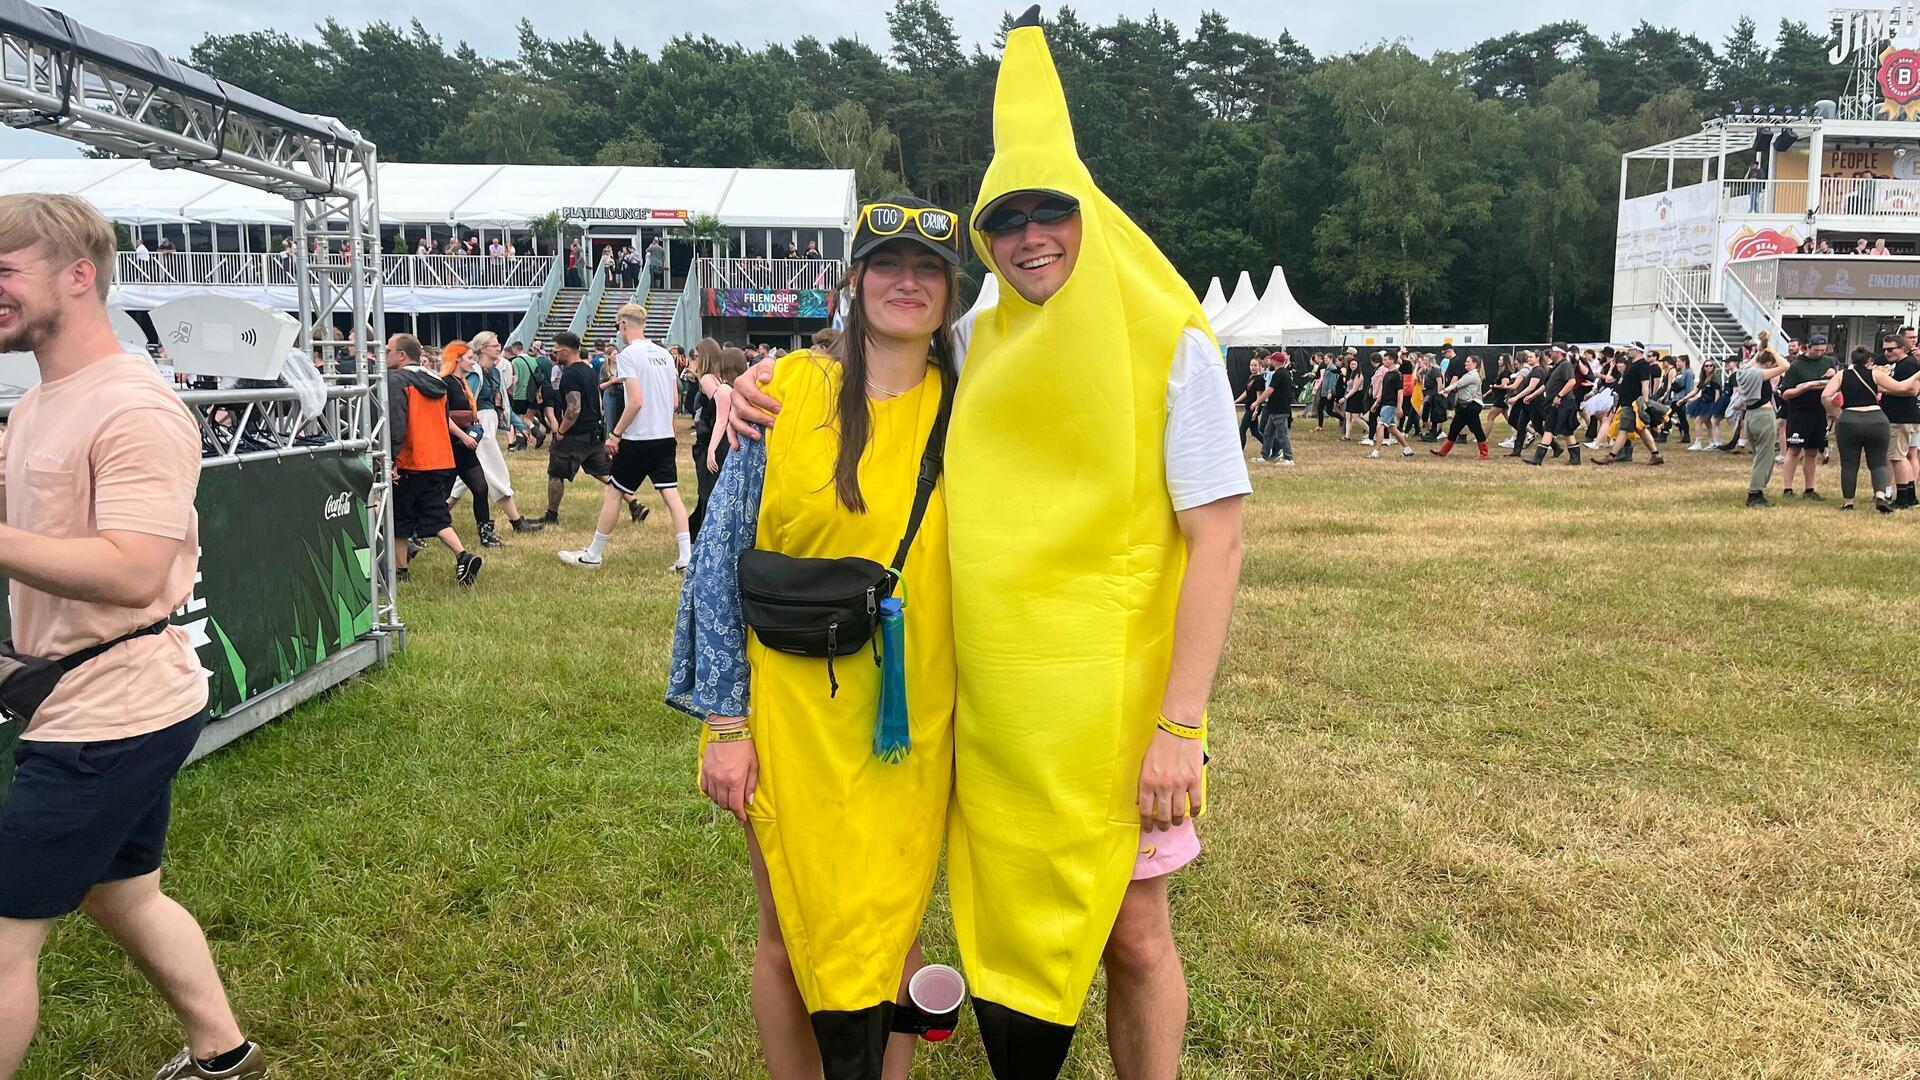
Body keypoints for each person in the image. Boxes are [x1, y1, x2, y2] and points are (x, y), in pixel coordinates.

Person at [733, 15, 1246, 1073]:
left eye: (1049, 211)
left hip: (1116, 714)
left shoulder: (1174, 346)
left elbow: (1220, 540)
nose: (1030, 238)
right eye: (1005, 221)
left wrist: (1180, 726)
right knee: (994, 920)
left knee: (1134, 934)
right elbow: (873, 369)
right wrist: (750, 389)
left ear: (1087, 213)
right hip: (985, 716)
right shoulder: (975, 341)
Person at [668, 201, 965, 1080]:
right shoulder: (787, 391)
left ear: (951, 293)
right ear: (853, 281)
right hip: (791, 713)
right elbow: (720, 561)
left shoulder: (974, 405)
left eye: (928, 269)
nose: (906, 281)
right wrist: (725, 725)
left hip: (914, 721)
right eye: (886, 264)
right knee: (787, 930)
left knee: (893, 923)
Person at [0, 194, 264, 1080]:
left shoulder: (134, 406)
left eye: (4, 272)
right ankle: (222, 1055)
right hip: (91, 699)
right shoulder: (43, 401)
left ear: (79, 276)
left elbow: (134, 571)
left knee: (4, 936)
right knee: (124, 894)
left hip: (109, 715)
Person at [560, 305, 693, 571]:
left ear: (623, 325)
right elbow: (675, 400)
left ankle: (594, 555)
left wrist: (616, 434)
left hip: (638, 437)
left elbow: (636, 401)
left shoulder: (628, 355)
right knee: (671, 494)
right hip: (663, 436)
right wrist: (671, 430)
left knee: (615, 491)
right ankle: (686, 556)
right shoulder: (665, 355)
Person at [385, 334, 482, 585]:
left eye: (388, 350)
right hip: (438, 458)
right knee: (436, 514)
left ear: (402, 355)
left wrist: (389, 460)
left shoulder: (397, 381)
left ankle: (401, 572)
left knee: (400, 518)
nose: (385, 354)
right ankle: (463, 555)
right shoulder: (436, 381)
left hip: (411, 459)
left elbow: (397, 424)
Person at [447, 333, 543, 539]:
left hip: (486, 425)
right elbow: (468, 402)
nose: (498, 347)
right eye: (494, 344)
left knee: (465, 480)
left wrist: (521, 426)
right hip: (479, 426)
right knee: (496, 472)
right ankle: (517, 522)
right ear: (483, 348)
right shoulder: (476, 373)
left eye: (498, 344)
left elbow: (503, 407)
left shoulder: (496, 372)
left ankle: (433, 520)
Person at [1823, 346, 1917, 512]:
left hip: (1849, 419)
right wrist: (1917, 374)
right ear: (1870, 361)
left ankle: (1848, 502)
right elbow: (1902, 387)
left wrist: (1835, 413)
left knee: (1849, 464)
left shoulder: (1841, 375)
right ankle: (1880, 496)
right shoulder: (1876, 374)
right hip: (1876, 419)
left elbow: (1825, 396)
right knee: (1879, 462)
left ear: (1852, 360)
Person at [540, 332, 612, 523]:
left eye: (555, 351)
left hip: (575, 433)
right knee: (600, 470)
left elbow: (573, 408)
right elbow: (598, 401)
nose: (554, 355)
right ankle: (634, 502)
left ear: (565, 351)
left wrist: (561, 431)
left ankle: (551, 514)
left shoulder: (570, 374)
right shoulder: (589, 370)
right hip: (593, 432)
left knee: (556, 473)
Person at [686, 339, 749, 543]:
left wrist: (711, 449)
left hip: (715, 442)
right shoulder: (728, 386)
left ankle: (703, 533)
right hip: (721, 441)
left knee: (709, 489)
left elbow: (720, 419)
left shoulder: (716, 385)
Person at [1778, 334, 1838, 499]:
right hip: (1799, 412)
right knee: (1794, 450)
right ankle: (1787, 488)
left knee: (1812, 451)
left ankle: (1809, 489)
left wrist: (1833, 376)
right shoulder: (1796, 366)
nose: (1819, 353)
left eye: (1822, 350)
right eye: (1815, 350)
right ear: (1807, 347)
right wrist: (1807, 387)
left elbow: (1836, 385)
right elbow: (1786, 393)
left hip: (1819, 412)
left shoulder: (1828, 362)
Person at [1737, 333, 1791, 507]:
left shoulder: (1743, 370)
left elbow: (1754, 359)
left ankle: (1756, 489)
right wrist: (1774, 351)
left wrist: (1762, 348)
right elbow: (1785, 366)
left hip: (1750, 416)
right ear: (1768, 364)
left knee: (1758, 455)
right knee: (1765, 457)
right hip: (1763, 414)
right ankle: (1755, 493)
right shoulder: (1759, 374)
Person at [1592, 343, 1665, 467]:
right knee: (1641, 429)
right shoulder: (1632, 364)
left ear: (1638, 350)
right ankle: (1656, 455)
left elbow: (1645, 384)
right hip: (1626, 401)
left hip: (1633, 403)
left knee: (1624, 430)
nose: (1628, 350)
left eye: (1630, 348)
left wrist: (1644, 403)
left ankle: (1611, 457)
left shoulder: (1643, 365)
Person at [1881, 332, 1920, 509]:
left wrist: (1884, 389)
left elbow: (1912, 390)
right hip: (1899, 416)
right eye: (1884, 350)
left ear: (1903, 348)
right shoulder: (1898, 364)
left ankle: (1903, 498)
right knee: (1902, 456)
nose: (1887, 353)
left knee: (1898, 457)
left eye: (1891, 349)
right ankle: (1910, 496)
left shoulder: (1908, 364)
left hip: (1901, 416)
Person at [1433, 356, 1488, 458]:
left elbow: (1457, 384)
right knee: (1455, 428)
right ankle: (1442, 452)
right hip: (1466, 406)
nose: (1465, 363)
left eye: (1468, 362)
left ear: (1474, 363)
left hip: (1471, 406)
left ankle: (1484, 454)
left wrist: (1444, 391)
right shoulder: (1471, 374)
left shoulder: (1472, 375)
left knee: (1476, 429)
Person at [1369, 351, 1414, 458]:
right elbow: (1384, 390)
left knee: (1380, 426)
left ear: (1392, 360)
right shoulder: (1387, 374)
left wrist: (1399, 407)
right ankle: (1407, 449)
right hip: (1384, 403)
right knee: (1392, 428)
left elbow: (1400, 392)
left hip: (1391, 404)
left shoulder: (1398, 375)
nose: (1383, 361)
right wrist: (1377, 402)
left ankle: (1376, 452)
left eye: (1385, 359)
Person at [1256, 352, 1294, 465]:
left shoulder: (1279, 374)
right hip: (1275, 409)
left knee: (1282, 435)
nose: (1270, 361)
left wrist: (1257, 401)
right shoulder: (1283, 373)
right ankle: (1265, 455)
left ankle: (1289, 458)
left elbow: (1269, 391)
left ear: (1275, 361)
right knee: (1268, 433)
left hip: (1280, 409)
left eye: (1272, 359)